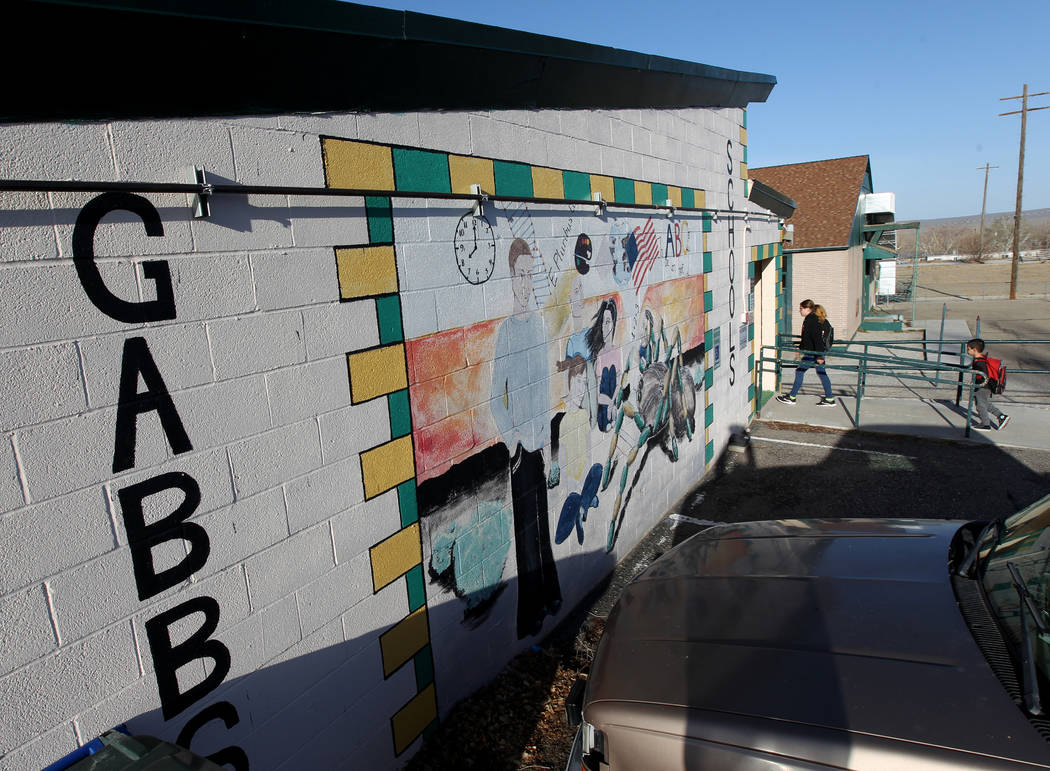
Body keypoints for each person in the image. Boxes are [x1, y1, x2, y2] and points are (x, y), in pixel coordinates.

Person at [490, 238, 562, 638]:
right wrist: (512, 440)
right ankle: (530, 615)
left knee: (543, 528)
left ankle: (551, 596)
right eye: (520, 275)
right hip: (520, 452)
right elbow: (493, 400)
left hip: (538, 445)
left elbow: (547, 392)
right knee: (525, 535)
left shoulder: (537, 325)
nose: (526, 282)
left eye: (531, 275)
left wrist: (549, 452)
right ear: (510, 276)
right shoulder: (506, 332)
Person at [776, 299, 835, 406]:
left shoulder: (811, 320)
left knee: (800, 372)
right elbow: (807, 338)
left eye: (801, 309)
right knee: (821, 373)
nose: (800, 311)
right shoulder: (812, 319)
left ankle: (792, 397)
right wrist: (800, 347)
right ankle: (830, 398)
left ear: (808, 309)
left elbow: (816, 338)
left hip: (813, 353)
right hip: (814, 352)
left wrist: (819, 355)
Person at [966, 338, 1010, 432]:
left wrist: (975, 382)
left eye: (968, 349)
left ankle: (985, 424)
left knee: (980, 405)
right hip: (985, 385)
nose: (967, 351)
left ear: (974, 350)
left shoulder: (979, 362)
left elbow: (983, 374)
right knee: (984, 403)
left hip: (983, 386)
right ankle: (1001, 416)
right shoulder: (981, 359)